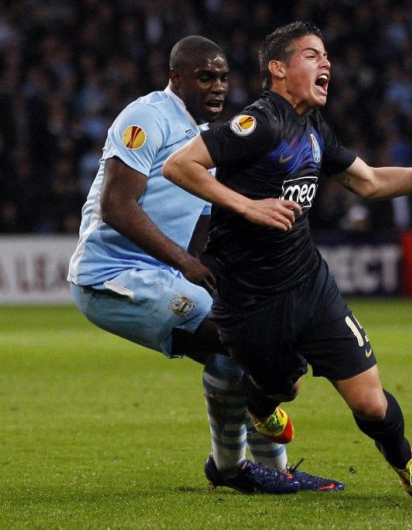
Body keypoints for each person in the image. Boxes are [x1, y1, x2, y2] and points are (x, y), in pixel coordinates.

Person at [162, 21, 412, 497]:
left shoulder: (314, 126)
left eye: (326, 57)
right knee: (283, 388)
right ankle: (261, 404)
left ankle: (410, 465)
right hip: (251, 301)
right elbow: (179, 165)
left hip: (310, 285)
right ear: (278, 69)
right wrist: (247, 205)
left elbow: (371, 182)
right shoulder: (259, 123)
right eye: (312, 56)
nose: (327, 64)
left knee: (371, 404)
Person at [67, 35, 343, 494]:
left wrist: (231, 279)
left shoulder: (208, 142)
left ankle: (259, 469)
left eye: (223, 78)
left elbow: (201, 229)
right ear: (176, 77)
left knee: (239, 348)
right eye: (205, 77)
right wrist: (185, 264)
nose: (217, 87)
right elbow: (117, 205)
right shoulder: (146, 117)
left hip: (161, 273)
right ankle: (237, 467)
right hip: (111, 277)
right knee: (247, 343)